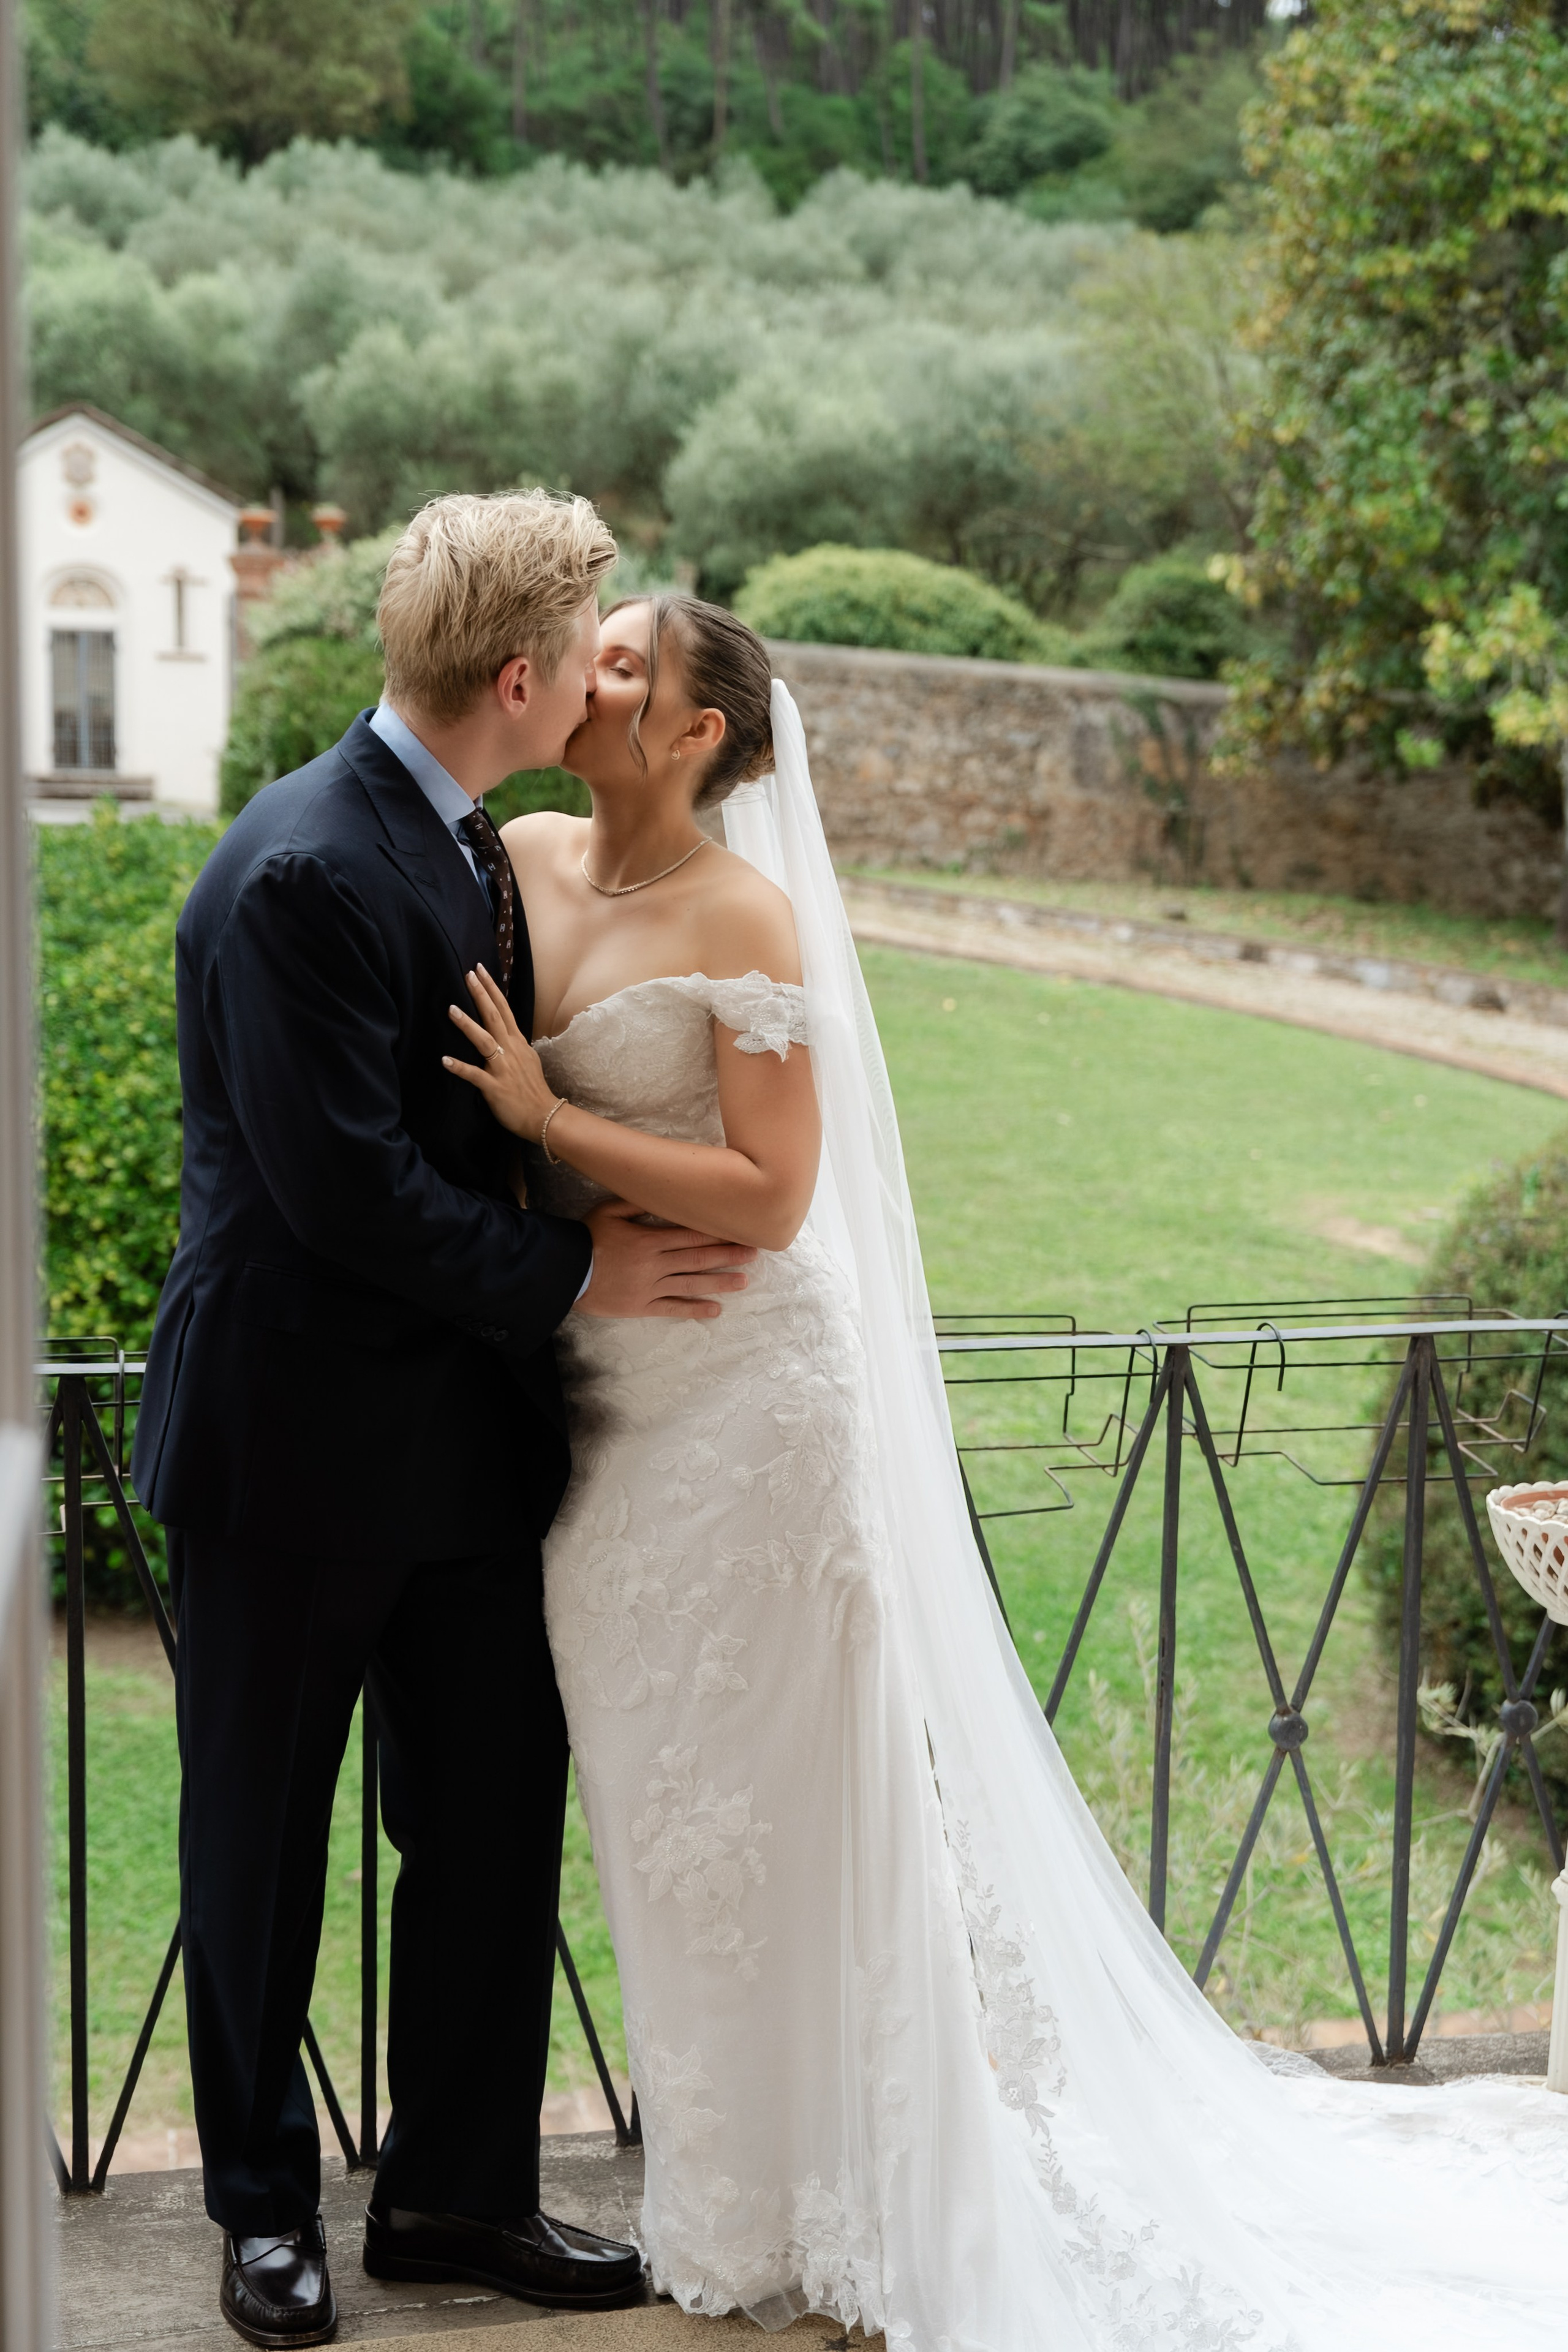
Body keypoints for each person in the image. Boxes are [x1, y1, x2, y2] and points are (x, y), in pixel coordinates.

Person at [449, 590, 1568, 2351]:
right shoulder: (512, 855)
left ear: (697, 737)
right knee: (671, 1813)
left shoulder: (748, 915)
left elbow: (774, 1192)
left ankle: (872, 2183)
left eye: (627, 669)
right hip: (608, 1411)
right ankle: (729, 2185)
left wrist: (551, 1125)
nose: (591, 679)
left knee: (797, 1804)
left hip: (752, 1403)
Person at [133, 496, 760, 2349]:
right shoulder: (304, 866)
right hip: (288, 1450)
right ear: (518, 677)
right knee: (258, 1840)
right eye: (587, 648)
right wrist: (585, 1279)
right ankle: (262, 2214)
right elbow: (348, 1195)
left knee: (489, 1826)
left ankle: (457, 2196)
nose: (603, 674)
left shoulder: (472, 836)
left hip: (466, 1455)